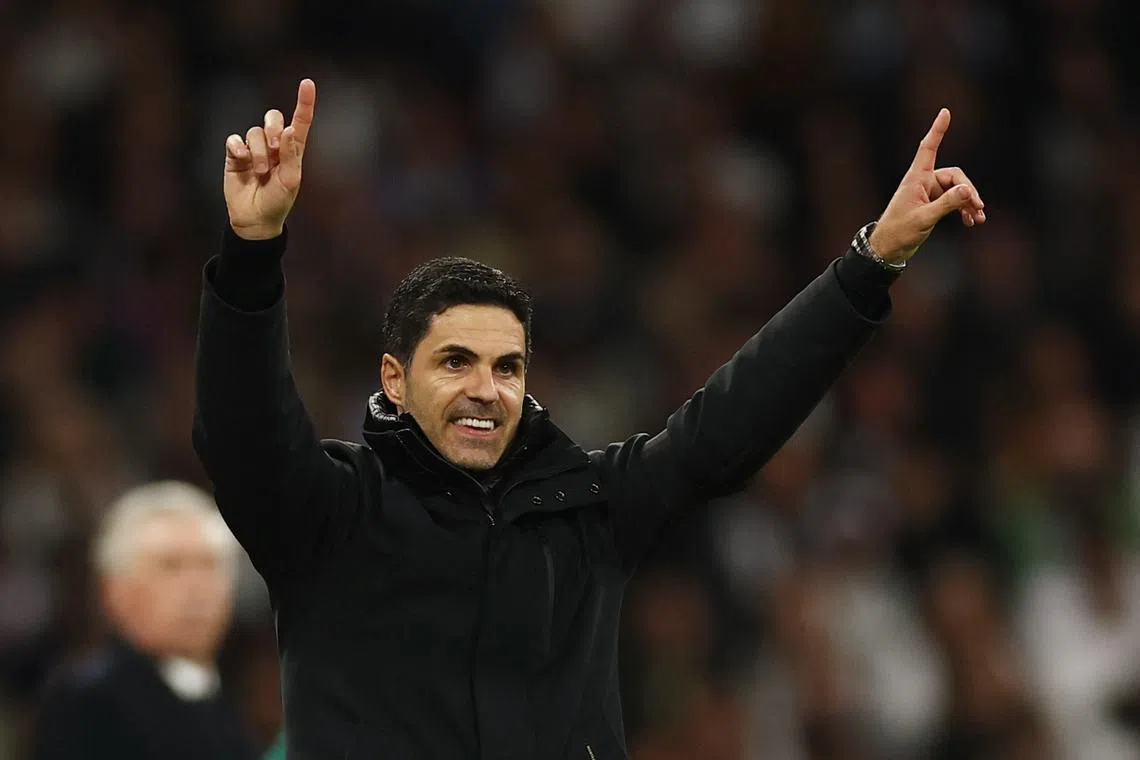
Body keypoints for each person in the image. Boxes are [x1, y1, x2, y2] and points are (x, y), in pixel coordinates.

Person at [193, 78, 986, 759]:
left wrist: (869, 263)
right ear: (394, 381)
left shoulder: (584, 509)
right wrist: (252, 251)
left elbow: (732, 418)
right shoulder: (331, 511)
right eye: (456, 362)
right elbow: (244, 433)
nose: (486, 389)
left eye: (507, 367)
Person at [32, 482, 260, 760]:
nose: (198, 588)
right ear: (115, 590)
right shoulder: (88, 701)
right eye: (171, 566)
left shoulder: (227, 694)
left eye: (210, 565)